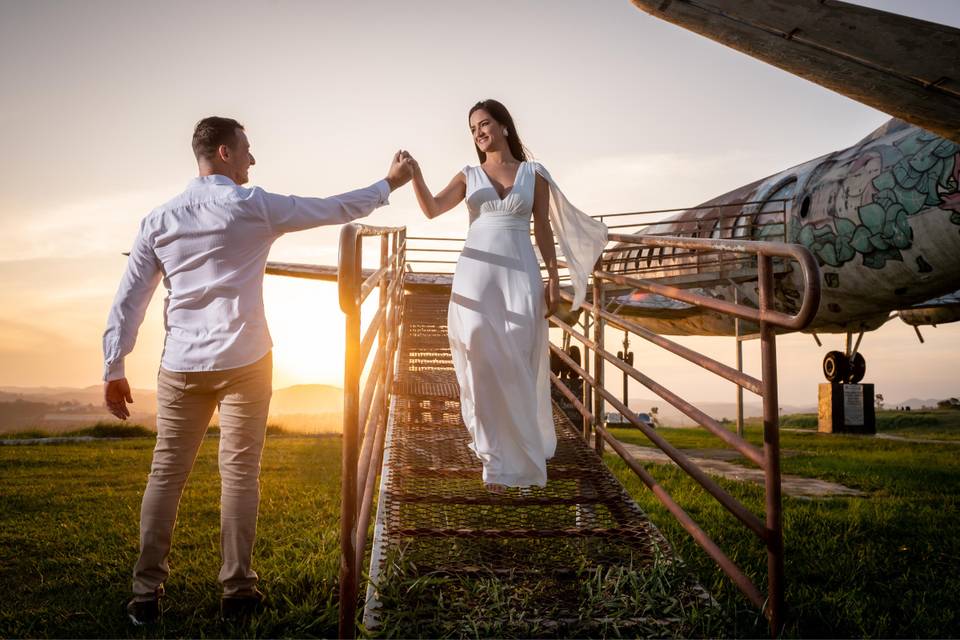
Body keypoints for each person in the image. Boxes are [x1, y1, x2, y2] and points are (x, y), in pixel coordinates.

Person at [102, 116, 414, 624]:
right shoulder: (253, 207)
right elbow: (332, 208)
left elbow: (130, 297)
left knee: (165, 475)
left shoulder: (158, 219)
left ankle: (144, 594)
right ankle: (238, 592)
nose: (253, 158)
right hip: (245, 360)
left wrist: (115, 363)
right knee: (239, 475)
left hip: (181, 364)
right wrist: (388, 185)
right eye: (246, 149)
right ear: (224, 153)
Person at [407, 99, 607, 493]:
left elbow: (544, 229)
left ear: (503, 126)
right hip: (476, 274)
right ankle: (494, 459)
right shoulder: (468, 175)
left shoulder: (534, 173)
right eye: (472, 130)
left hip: (520, 270)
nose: (479, 134)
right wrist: (414, 174)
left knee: (518, 356)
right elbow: (431, 209)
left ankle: (522, 452)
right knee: (480, 351)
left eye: (483, 125)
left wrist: (553, 277)